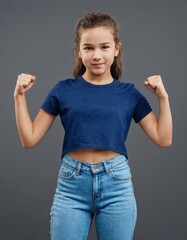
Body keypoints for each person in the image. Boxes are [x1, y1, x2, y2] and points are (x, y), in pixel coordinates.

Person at [14, 12, 172, 240]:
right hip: (72, 186)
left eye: (104, 47)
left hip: (116, 185)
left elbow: (163, 139)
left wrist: (163, 98)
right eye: (88, 48)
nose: (97, 55)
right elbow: (29, 139)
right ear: (79, 51)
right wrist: (19, 96)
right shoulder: (63, 90)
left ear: (116, 49)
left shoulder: (129, 94)